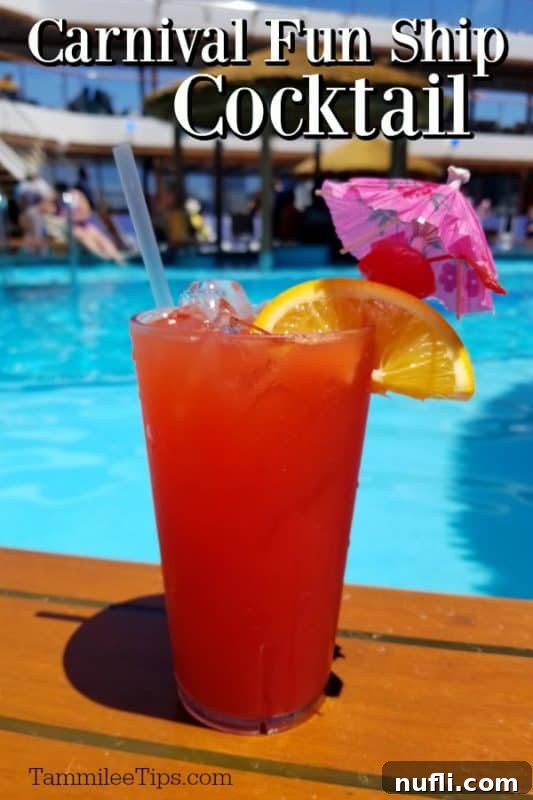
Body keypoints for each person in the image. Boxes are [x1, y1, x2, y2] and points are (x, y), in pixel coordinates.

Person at [68, 188, 125, 264]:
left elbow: (86, 213)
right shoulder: (62, 200)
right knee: (85, 237)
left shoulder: (78, 197)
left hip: (83, 225)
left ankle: (118, 258)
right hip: (72, 227)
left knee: (99, 236)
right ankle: (104, 257)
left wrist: (75, 217)